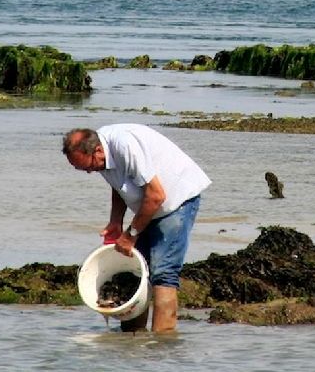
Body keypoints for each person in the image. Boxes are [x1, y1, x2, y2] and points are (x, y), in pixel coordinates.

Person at [63, 124, 210, 333]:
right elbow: (120, 185)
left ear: (97, 150)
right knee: (137, 270)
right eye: (82, 168)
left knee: (163, 273)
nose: (88, 172)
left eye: (88, 167)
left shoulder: (125, 146)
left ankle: (162, 343)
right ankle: (133, 338)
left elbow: (157, 195)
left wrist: (131, 234)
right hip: (150, 204)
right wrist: (116, 221)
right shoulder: (101, 153)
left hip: (177, 200)